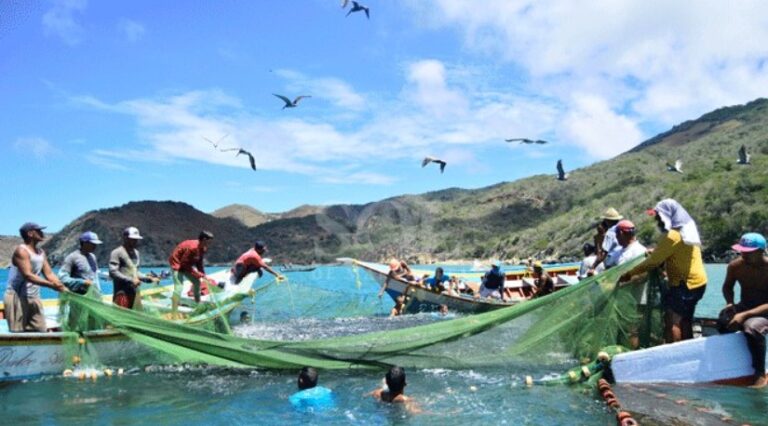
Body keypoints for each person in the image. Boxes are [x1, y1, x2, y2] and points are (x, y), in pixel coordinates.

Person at [620, 199, 707, 343]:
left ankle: (675, 354)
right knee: (685, 319)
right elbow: (677, 252)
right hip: (698, 283)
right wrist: (657, 252)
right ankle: (688, 350)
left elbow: (653, 262)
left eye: (659, 217)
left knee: (671, 321)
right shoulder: (686, 231)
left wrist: (629, 273)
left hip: (684, 284)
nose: (657, 220)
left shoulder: (673, 235)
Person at [719, 232, 768, 388]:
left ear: (761, 251)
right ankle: (730, 361)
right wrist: (730, 304)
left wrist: (744, 315)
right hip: (745, 306)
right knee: (723, 321)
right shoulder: (735, 266)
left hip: (764, 311)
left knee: (752, 327)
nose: (743, 255)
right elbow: (727, 287)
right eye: (742, 251)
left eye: (748, 252)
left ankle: (759, 372)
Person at [4, 222, 68, 332]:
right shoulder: (21, 251)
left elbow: (49, 274)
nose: (42, 233)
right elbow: (28, 275)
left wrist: (61, 286)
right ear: (30, 233)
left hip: (34, 297)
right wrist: (51, 285)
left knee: (41, 330)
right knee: (18, 333)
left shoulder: (41, 252)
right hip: (17, 297)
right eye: (38, 231)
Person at [109, 227, 159, 309]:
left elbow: (135, 272)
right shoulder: (117, 252)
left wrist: (148, 278)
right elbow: (113, 272)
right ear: (125, 238)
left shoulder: (136, 253)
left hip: (135, 293)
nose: (135, 241)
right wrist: (131, 280)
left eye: (136, 239)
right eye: (132, 239)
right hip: (122, 293)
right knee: (121, 317)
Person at [169, 231, 216, 314]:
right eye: (210, 241)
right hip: (177, 264)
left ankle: (197, 302)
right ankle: (174, 310)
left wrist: (203, 274)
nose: (211, 243)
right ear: (204, 239)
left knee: (196, 282)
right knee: (179, 287)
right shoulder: (193, 247)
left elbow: (199, 262)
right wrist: (196, 273)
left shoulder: (203, 248)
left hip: (186, 265)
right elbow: (183, 264)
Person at [590, 208, 624, 273]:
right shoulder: (622, 228)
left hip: (613, 264)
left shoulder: (610, 232)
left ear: (608, 221)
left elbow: (603, 253)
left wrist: (593, 267)